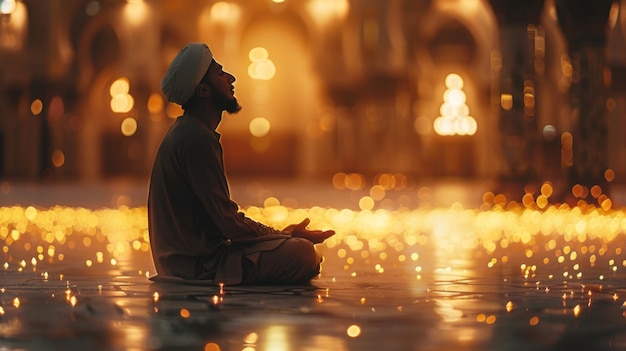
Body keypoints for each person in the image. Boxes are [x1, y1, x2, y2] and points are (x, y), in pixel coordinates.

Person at [148, 42, 335, 285]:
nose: (231, 78)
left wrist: (281, 236)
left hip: (189, 263)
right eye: (220, 73)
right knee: (303, 254)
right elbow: (229, 224)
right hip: (199, 268)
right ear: (204, 91)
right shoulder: (196, 138)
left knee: (299, 250)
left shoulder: (187, 132)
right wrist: (283, 236)